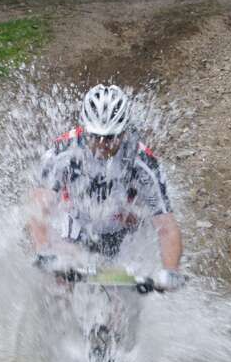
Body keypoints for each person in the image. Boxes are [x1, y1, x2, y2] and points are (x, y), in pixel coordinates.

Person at [28, 84, 184, 289]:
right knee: (60, 283)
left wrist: (170, 270)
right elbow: (40, 205)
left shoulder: (143, 162)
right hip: (76, 226)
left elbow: (166, 226)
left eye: (110, 137)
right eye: (95, 136)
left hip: (124, 233)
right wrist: (43, 250)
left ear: (124, 132)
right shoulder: (63, 152)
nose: (102, 144)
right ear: (84, 128)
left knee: (120, 303)